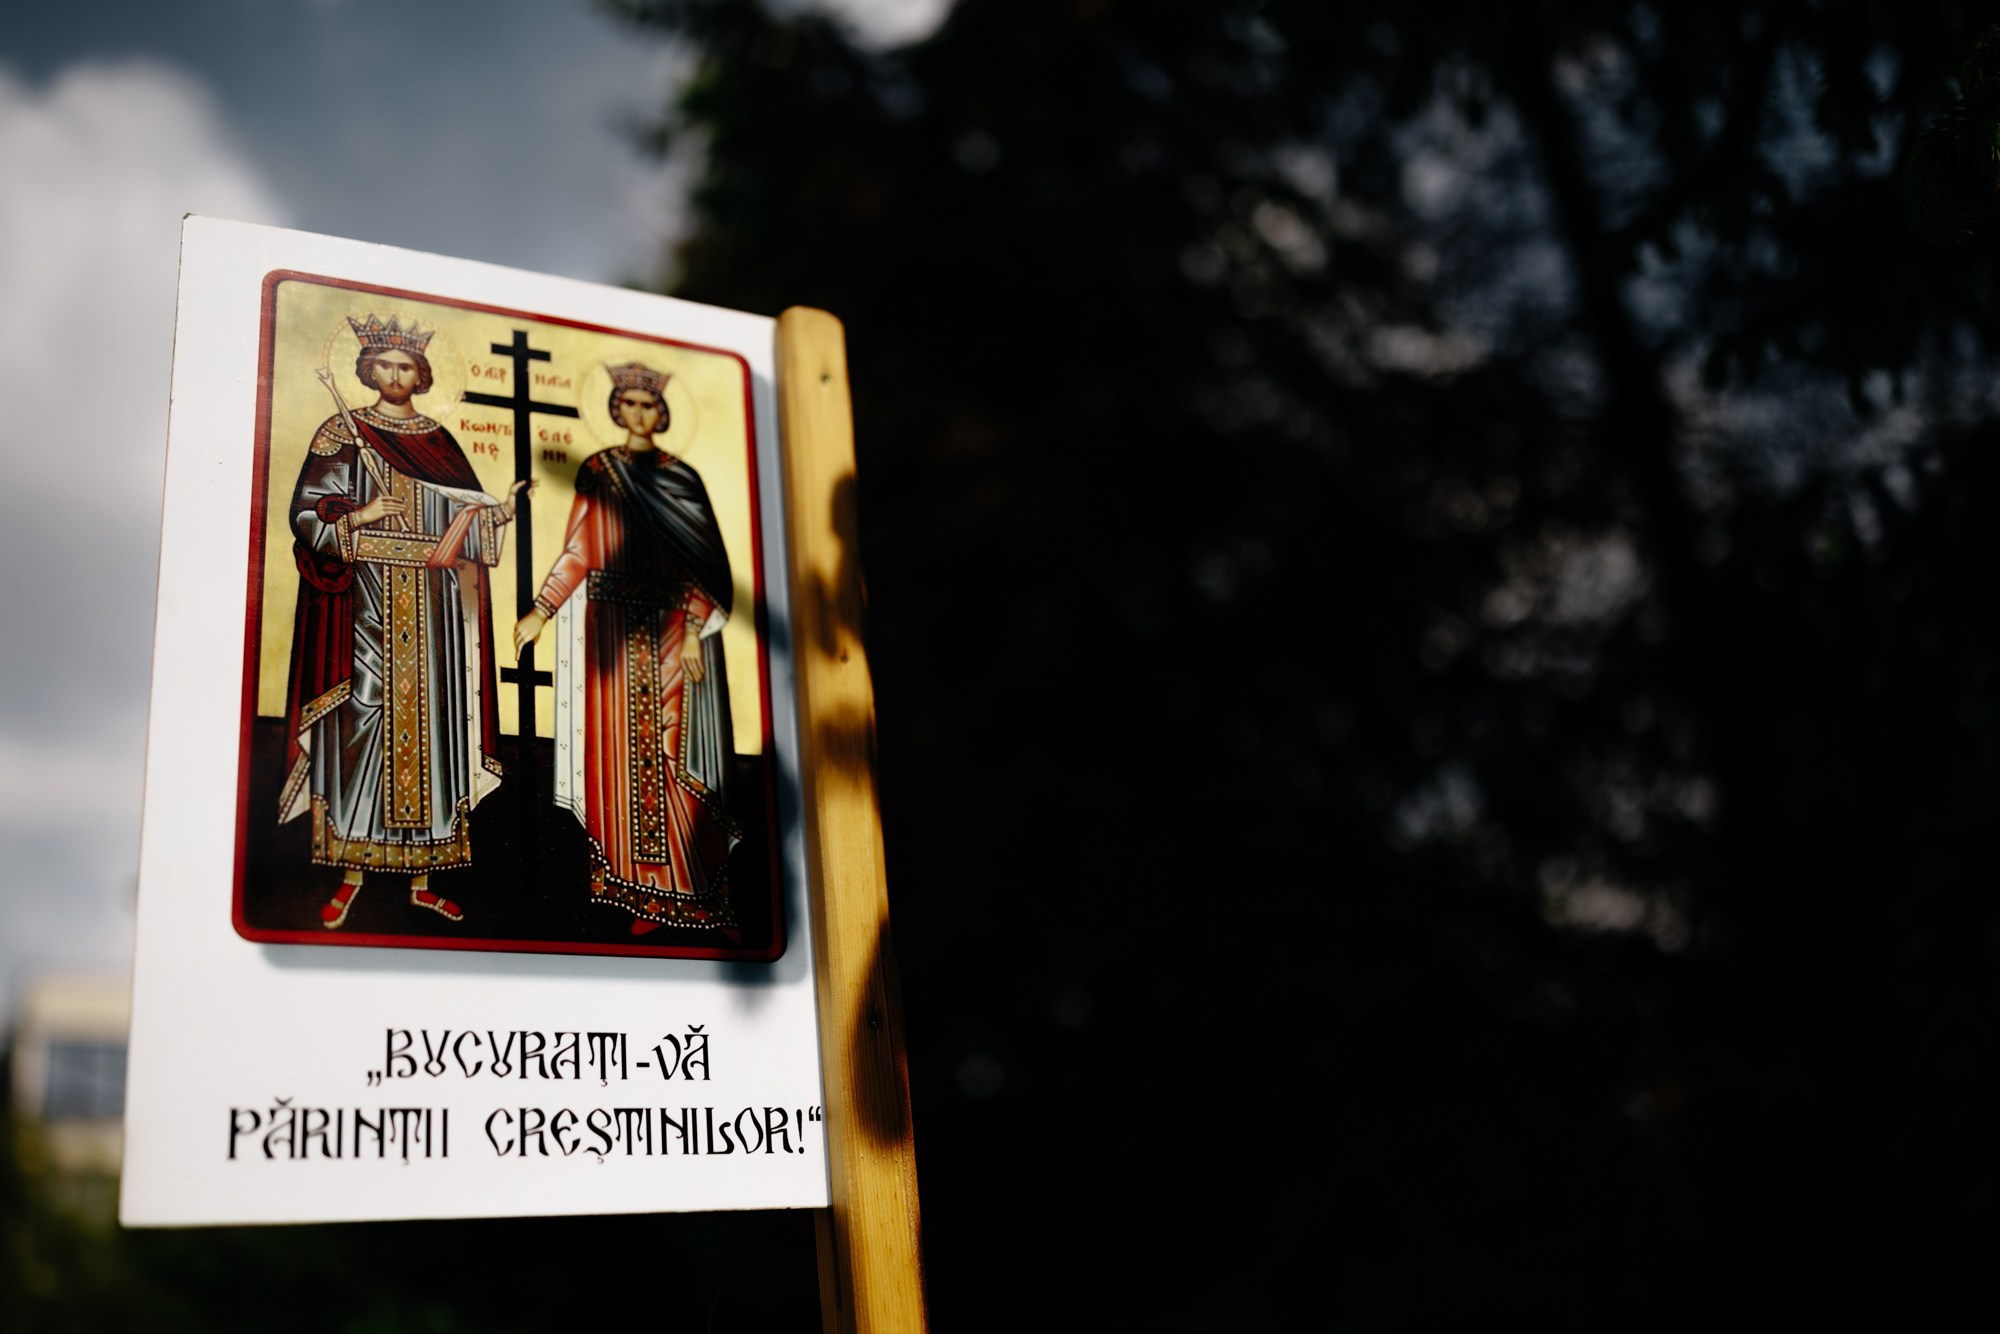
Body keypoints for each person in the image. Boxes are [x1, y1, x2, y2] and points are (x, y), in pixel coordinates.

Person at [280, 314, 524, 929]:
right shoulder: (340, 430)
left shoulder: (438, 439)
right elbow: (306, 514)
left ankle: (424, 877)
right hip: (365, 597)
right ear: (366, 370)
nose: (394, 375)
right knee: (365, 718)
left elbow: (464, 517)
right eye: (383, 365)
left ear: (422, 373)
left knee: (437, 726)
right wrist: (362, 514)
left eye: (406, 366)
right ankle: (350, 872)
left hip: (436, 600)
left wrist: (498, 514)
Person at [513, 362, 740, 937]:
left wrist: (692, 627)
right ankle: (637, 888)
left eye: (648, 405)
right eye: (629, 403)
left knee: (670, 750)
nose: (639, 413)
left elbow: (702, 564)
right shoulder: (598, 470)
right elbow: (580, 547)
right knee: (617, 756)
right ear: (617, 408)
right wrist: (543, 608)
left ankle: (696, 894)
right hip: (609, 627)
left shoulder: (681, 478)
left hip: (668, 627)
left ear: (660, 413)